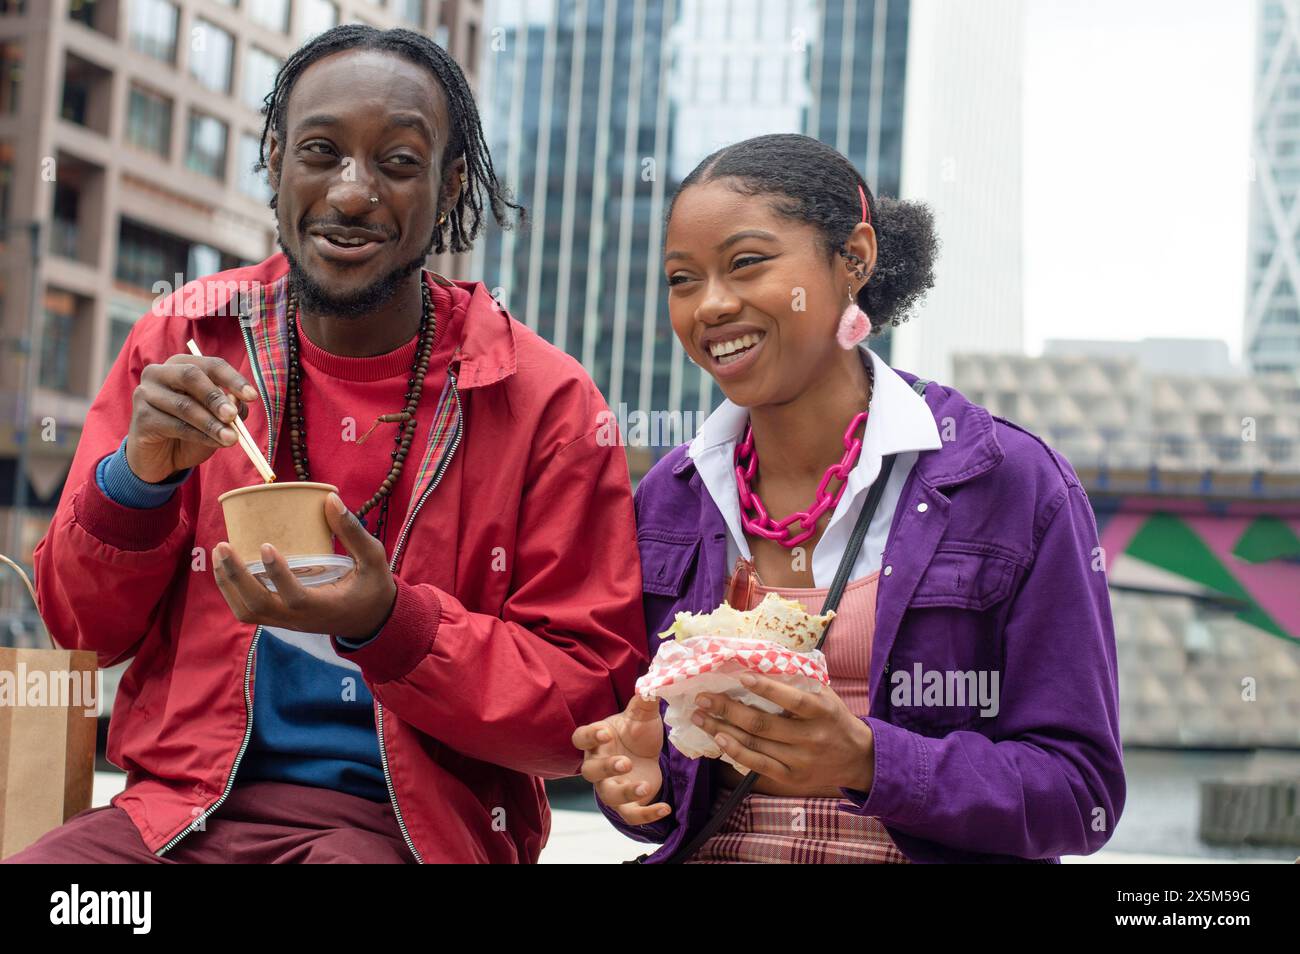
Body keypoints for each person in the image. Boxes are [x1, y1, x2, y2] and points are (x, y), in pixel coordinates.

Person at [7, 25, 644, 865]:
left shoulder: (546, 399)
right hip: (173, 816)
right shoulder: (189, 339)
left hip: (403, 833)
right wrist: (138, 480)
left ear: (452, 184)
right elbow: (78, 628)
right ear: (274, 161)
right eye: (320, 150)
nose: (351, 193)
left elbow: (583, 715)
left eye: (399, 163)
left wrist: (390, 624)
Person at [574, 133, 1125, 863]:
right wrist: (639, 780)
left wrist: (869, 762)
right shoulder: (672, 499)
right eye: (682, 279)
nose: (710, 305)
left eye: (747, 263)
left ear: (853, 259)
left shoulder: (1012, 485)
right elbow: (666, 805)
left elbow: (1080, 795)